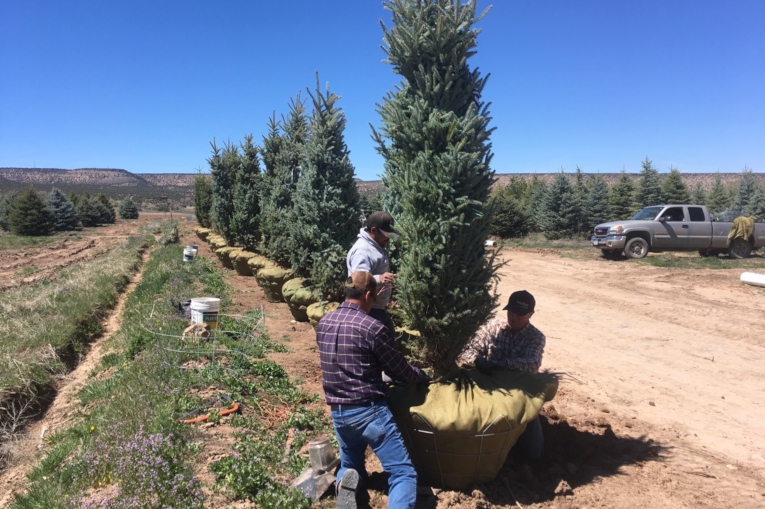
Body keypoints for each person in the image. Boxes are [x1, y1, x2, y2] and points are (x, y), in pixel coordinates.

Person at [316, 271, 430, 509]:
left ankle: (343, 486)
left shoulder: (324, 323)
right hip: (369, 413)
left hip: (338, 412)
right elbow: (400, 371)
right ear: (368, 295)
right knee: (402, 473)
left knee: (351, 466)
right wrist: (421, 375)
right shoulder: (372, 327)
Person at [459, 289, 546, 460]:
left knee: (533, 452)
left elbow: (532, 363)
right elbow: (467, 350)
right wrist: (477, 361)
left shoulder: (536, 337)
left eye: (520, 314)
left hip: (518, 391)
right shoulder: (492, 327)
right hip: (487, 386)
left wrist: (504, 365)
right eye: (511, 312)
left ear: (531, 314)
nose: (513, 317)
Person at [346, 211, 398, 339]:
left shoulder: (375, 245)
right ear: (374, 230)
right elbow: (358, 280)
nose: (388, 238)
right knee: (385, 347)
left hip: (376, 307)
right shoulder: (363, 250)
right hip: (368, 309)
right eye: (386, 235)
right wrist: (379, 279)